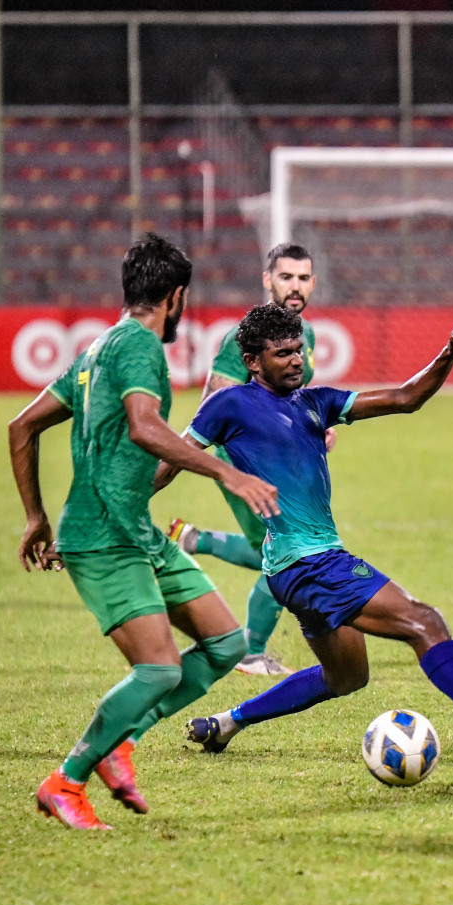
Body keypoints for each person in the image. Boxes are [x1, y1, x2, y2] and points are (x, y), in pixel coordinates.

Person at [178, 303, 453, 766]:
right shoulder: (230, 404)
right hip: (310, 563)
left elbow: (406, 397)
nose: (295, 360)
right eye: (282, 353)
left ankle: (227, 723)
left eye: (299, 351)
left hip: (297, 568)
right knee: (424, 623)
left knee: (346, 678)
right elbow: (172, 457)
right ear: (253, 361)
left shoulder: (314, 401)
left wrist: (448, 353)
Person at [9, 234, 279, 830]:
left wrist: (36, 516)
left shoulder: (96, 349)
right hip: (105, 540)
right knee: (158, 670)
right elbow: (144, 427)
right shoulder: (140, 349)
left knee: (227, 644)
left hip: (137, 531)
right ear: (176, 297)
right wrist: (226, 473)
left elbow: (22, 427)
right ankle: (65, 781)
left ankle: (120, 743)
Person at [168, 242, 325, 676]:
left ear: (312, 283)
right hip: (244, 466)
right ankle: (251, 653)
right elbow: (214, 404)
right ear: (267, 279)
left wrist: (314, 424)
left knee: (269, 547)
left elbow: (289, 396)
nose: (294, 286)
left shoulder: (303, 333)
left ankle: (196, 541)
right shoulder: (242, 337)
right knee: (287, 549)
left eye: (302, 278)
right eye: (286, 277)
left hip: (285, 465)